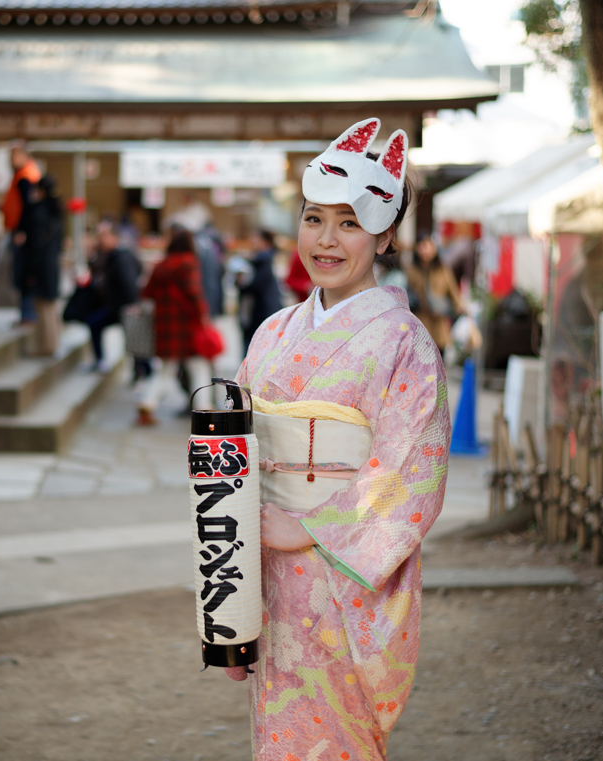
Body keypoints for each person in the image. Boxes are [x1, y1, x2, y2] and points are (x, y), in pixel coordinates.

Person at [227, 119, 450, 761]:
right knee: (277, 733)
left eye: (349, 223)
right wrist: (230, 607)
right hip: (267, 567)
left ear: (384, 236)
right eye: (313, 218)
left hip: (343, 580)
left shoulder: (403, 344)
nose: (326, 240)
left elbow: (414, 472)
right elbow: (233, 463)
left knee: (336, 736)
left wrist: (312, 527)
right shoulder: (272, 333)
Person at [136, 230, 213, 426]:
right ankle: (205, 412)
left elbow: (147, 292)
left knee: (165, 369)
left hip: (165, 327)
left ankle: (147, 403)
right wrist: (204, 316)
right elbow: (194, 293)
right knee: (199, 368)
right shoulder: (188, 262)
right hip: (187, 326)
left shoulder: (161, 264)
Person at [83, 219, 140, 372]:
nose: (100, 239)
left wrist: (131, 304)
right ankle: (140, 369)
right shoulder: (111, 254)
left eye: (103, 235)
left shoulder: (121, 257)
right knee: (130, 338)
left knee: (133, 340)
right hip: (116, 306)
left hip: (123, 307)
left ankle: (143, 370)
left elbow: (129, 282)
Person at [18, 174, 64, 355]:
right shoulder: (56, 211)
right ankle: (51, 343)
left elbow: (35, 245)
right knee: (50, 306)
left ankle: (47, 346)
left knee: (43, 307)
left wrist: (30, 270)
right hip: (52, 263)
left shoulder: (38, 213)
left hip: (41, 264)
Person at [3, 141, 43, 325]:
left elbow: (27, 208)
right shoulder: (26, 174)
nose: (10, 160)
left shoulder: (25, 177)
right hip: (22, 232)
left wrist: (21, 231)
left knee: (24, 273)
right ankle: (27, 313)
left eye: (13, 156)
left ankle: (28, 313)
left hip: (22, 234)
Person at [405, 232, 465, 350]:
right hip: (419, 322)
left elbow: (452, 291)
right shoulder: (412, 271)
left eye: (427, 245)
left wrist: (460, 307)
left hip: (439, 322)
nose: (424, 250)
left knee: (439, 360)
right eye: (421, 246)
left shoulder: (442, 269)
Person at [237, 229, 284, 354]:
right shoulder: (261, 259)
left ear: (265, 242)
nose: (252, 242)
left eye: (256, 239)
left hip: (261, 311)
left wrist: (240, 284)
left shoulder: (263, 260)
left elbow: (255, 286)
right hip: (264, 309)